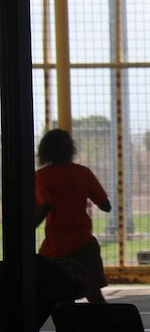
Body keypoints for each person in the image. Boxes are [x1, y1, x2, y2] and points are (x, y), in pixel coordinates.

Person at [35, 129, 112, 304]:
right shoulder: (83, 173)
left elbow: (44, 206)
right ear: (71, 149)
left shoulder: (41, 177)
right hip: (84, 243)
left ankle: (69, 330)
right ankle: (107, 328)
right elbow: (106, 206)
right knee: (94, 295)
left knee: (60, 297)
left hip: (56, 249)